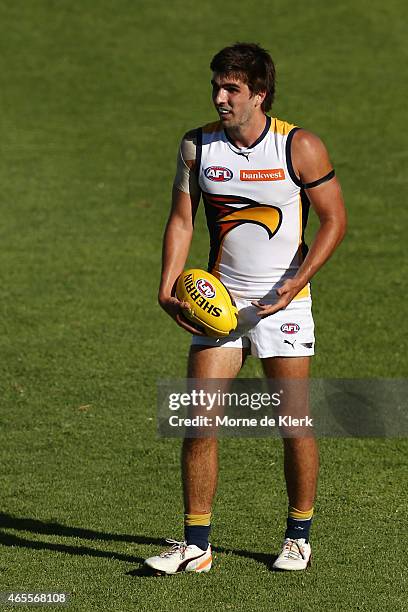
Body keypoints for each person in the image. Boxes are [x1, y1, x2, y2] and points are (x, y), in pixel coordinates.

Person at [145, 42, 346, 574]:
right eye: (216, 86)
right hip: (220, 304)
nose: (219, 97)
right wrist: (167, 288)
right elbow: (182, 220)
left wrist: (294, 285)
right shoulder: (197, 147)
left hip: (285, 303)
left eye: (231, 89)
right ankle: (196, 544)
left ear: (259, 94)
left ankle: (298, 534)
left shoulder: (298, 147)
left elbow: (335, 221)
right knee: (200, 422)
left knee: (294, 422)